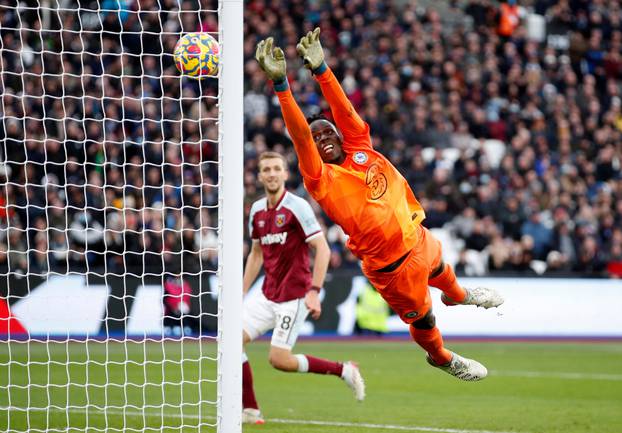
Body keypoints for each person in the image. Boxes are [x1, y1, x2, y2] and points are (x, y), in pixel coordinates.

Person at [255, 29, 504, 382]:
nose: (322, 139)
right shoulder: (320, 178)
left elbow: (344, 110)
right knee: (424, 319)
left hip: (416, 236)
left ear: (340, 136)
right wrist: (282, 85)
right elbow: (299, 134)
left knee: (440, 270)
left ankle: (461, 296)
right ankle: (442, 357)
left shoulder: (361, 146)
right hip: (392, 267)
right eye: (316, 138)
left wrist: (322, 69)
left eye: (327, 133)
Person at [242, 151, 365, 425]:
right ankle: (250, 409)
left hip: (294, 296)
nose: (272, 173)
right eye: (266, 169)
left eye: (276, 168)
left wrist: (314, 290)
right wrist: (240, 291)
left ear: (285, 174)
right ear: (260, 175)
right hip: (266, 293)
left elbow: (321, 248)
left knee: (279, 360)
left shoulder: (297, 206)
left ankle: (344, 370)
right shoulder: (257, 211)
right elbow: (256, 254)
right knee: (230, 341)